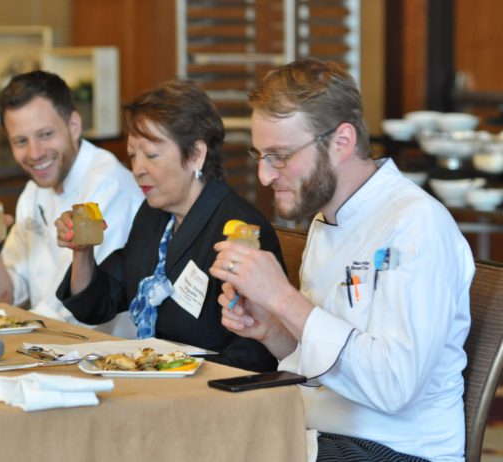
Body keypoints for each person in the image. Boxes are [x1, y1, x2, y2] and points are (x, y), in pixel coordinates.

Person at [211, 58, 474, 461]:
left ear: (341, 141)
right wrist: (272, 332)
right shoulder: (327, 219)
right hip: (324, 430)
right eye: (260, 155)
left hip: (397, 448)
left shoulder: (415, 223)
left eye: (280, 155)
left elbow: (393, 386)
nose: (265, 176)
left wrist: (282, 297)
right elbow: (328, 366)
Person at [55, 79, 283, 372]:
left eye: (151, 155)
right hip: (159, 380)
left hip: (211, 391)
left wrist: (172, 371)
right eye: (133, 155)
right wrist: (82, 251)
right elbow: (97, 305)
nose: (137, 169)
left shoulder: (239, 228)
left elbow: (255, 353)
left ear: (196, 155)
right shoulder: (155, 216)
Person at [0, 70, 143, 335]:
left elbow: (74, 311)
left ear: (74, 126)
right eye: (21, 141)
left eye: (45, 134)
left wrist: (10, 330)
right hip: (52, 347)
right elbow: (3, 297)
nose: (34, 153)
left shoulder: (108, 184)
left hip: (104, 356)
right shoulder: (34, 191)